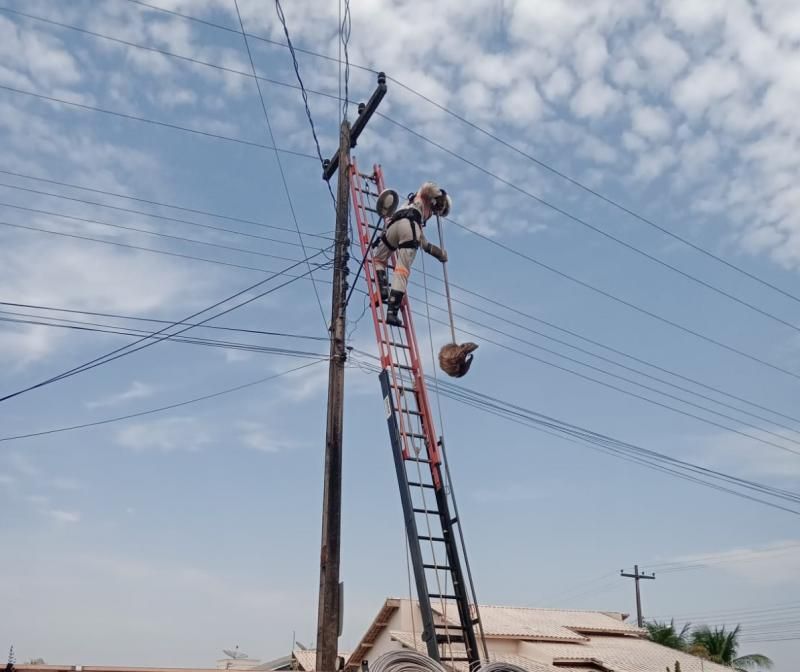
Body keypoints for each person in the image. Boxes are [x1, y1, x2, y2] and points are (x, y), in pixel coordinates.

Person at [373, 182, 451, 327]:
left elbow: (423, 243)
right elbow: (427, 186)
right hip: (408, 227)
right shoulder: (423, 198)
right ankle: (392, 312)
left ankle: (383, 288)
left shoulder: (409, 205)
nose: (434, 213)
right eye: (436, 211)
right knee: (401, 271)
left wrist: (438, 253)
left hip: (393, 228)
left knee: (378, 259)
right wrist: (440, 196)